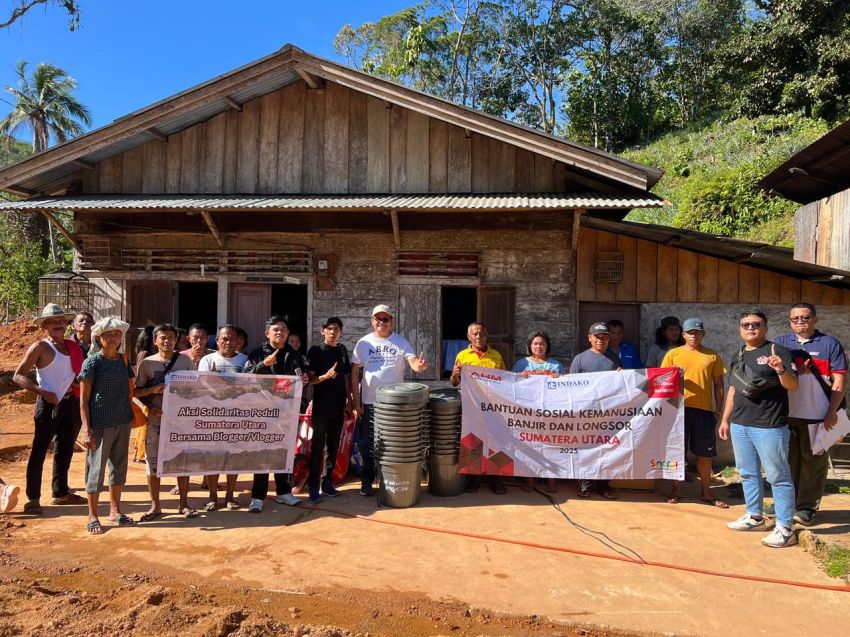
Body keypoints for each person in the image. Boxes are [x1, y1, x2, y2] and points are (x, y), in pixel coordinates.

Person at [719, 310, 799, 548]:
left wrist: (781, 370)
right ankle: (754, 515)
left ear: (765, 327)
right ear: (740, 328)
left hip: (770, 425)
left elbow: (793, 386)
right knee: (747, 473)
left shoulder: (777, 351)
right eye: (746, 324)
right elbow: (734, 389)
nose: (751, 328)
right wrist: (725, 419)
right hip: (740, 424)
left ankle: (785, 528)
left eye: (756, 324)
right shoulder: (739, 353)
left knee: (778, 476)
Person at [774, 303, 847, 526]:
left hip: (818, 415)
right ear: (790, 321)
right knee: (787, 463)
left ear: (815, 319)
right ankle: (787, 504)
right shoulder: (781, 343)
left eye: (804, 318)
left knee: (813, 465)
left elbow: (840, 381)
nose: (800, 322)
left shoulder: (830, 344)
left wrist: (832, 413)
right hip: (786, 415)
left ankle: (806, 508)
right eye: (795, 318)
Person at [13, 303, 87, 514]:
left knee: (65, 449)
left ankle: (60, 493)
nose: (58, 324)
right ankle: (33, 498)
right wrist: (41, 391)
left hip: (70, 403)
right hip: (49, 405)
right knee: (39, 451)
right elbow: (18, 375)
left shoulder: (73, 347)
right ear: (44, 325)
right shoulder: (40, 347)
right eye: (53, 321)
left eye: (61, 321)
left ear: (67, 324)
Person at [352, 305, 428, 497]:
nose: (381, 322)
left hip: (395, 405)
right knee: (368, 443)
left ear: (391, 322)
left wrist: (418, 367)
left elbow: (412, 362)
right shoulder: (363, 343)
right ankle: (367, 482)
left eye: (385, 319)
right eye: (378, 319)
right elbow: (355, 373)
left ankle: (390, 482)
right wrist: (356, 401)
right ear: (372, 321)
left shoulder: (400, 341)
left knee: (393, 444)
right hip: (370, 402)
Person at [133, 323, 198, 521]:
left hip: (180, 423)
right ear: (155, 341)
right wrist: (150, 401)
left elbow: (195, 390)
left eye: (171, 337)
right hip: (155, 421)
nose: (167, 341)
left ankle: (184, 504)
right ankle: (155, 506)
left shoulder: (185, 362)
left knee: (182, 463)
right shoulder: (147, 364)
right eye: (163, 338)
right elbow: (136, 392)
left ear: (176, 340)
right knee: (152, 465)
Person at [660, 318, 728, 507]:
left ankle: (706, 493)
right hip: (677, 411)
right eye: (690, 332)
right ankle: (675, 491)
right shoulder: (673, 354)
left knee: (704, 455)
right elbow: (662, 382)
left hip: (704, 411)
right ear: (684, 335)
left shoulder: (712, 356)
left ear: (703, 334)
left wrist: (719, 410)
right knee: (676, 453)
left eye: (697, 332)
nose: (694, 335)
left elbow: (719, 385)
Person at [78, 317, 135, 534]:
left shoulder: (124, 361)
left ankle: (115, 511)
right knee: (96, 470)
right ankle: (92, 515)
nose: (113, 338)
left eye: (117, 334)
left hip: (122, 420)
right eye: (108, 334)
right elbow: (83, 400)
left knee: (118, 468)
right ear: (99, 337)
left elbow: (131, 389)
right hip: (99, 424)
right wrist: (86, 429)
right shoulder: (92, 362)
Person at [243, 316, 305, 511]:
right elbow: (244, 378)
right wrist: (263, 365)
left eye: (284, 330)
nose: (280, 333)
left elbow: (301, 378)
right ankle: (258, 496)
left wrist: (304, 379)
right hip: (261, 411)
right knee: (261, 453)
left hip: (286, 411)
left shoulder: (294, 355)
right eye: (276, 329)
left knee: (283, 453)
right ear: (267, 333)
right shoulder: (256, 353)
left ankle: (283, 492)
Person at [451, 322, 508, 494]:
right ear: (469, 337)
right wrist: (455, 374)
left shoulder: (496, 356)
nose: (478, 337)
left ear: (486, 335)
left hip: (493, 407)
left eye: (481, 334)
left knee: (496, 441)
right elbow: (455, 383)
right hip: (472, 407)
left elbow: (504, 380)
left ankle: (497, 480)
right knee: (473, 441)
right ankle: (474, 480)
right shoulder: (463, 355)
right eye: (475, 334)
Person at [199, 325, 248, 510]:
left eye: (232, 339)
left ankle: (230, 496)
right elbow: (202, 387)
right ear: (217, 340)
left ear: (238, 341)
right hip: (213, 417)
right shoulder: (207, 360)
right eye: (224, 339)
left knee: (233, 457)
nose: (228, 342)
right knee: (213, 458)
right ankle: (212, 496)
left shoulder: (245, 360)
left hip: (237, 418)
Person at [570, 322, 621, 500]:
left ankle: (604, 485)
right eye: (597, 337)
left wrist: (622, 376)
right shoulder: (580, 359)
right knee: (586, 449)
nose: (601, 340)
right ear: (589, 338)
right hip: (585, 413)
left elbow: (621, 387)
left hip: (608, 413)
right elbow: (571, 387)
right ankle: (585, 485)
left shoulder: (614, 358)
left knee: (607, 449)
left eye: (605, 337)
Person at [305, 317, 352, 504]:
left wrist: (350, 400)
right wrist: (325, 376)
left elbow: (347, 377)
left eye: (337, 329)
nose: (333, 332)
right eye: (330, 329)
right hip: (321, 407)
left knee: (332, 447)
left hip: (338, 406)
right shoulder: (316, 351)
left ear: (340, 332)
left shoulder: (342, 350)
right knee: (317, 448)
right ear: (322, 331)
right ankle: (313, 486)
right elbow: (310, 380)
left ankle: (327, 483)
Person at [511, 329, 561, 494]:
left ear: (547, 346)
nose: (539, 346)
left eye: (542, 343)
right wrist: (520, 377)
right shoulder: (521, 365)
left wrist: (558, 379)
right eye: (535, 343)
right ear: (530, 346)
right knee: (529, 445)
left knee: (550, 445)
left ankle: (551, 481)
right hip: (528, 413)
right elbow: (509, 385)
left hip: (550, 412)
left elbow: (567, 388)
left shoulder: (555, 365)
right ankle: (529, 480)